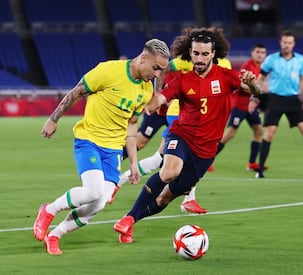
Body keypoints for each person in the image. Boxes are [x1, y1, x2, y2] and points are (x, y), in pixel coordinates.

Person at [113, 27, 261, 244]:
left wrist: (252, 83)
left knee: (164, 199)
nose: (199, 59)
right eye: (195, 54)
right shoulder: (183, 79)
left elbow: (256, 91)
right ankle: (127, 219)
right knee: (169, 172)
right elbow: (163, 97)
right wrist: (151, 105)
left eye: (204, 54)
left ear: (213, 54)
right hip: (181, 135)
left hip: (205, 151)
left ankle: (132, 221)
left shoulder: (227, 76)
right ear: (189, 53)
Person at [33, 39, 170, 255]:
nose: (157, 75)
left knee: (98, 204)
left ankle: (54, 235)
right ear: (143, 58)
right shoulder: (108, 70)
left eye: (161, 70)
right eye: (156, 68)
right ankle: (49, 210)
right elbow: (77, 92)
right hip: (89, 139)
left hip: (114, 149)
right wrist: (53, 119)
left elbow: (132, 126)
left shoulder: (145, 91)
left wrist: (133, 162)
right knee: (92, 191)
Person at [255, 30, 303, 178]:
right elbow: (261, 78)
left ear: (293, 44)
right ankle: (260, 170)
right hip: (275, 99)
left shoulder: (300, 59)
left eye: (289, 42)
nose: (287, 45)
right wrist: (254, 97)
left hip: (294, 99)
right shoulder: (271, 59)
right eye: (284, 42)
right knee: (270, 134)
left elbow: (302, 80)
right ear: (280, 43)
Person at [215, 43, 268, 171]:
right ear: (252, 53)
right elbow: (241, 85)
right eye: (258, 52)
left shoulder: (262, 67)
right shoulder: (247, 67)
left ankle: (251, 163)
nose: (260, 55)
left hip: (251, 107)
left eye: (262, 52)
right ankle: (208, 159)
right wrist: (256, 89)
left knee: (259, 131)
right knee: (230, 134)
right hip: (240, 105)